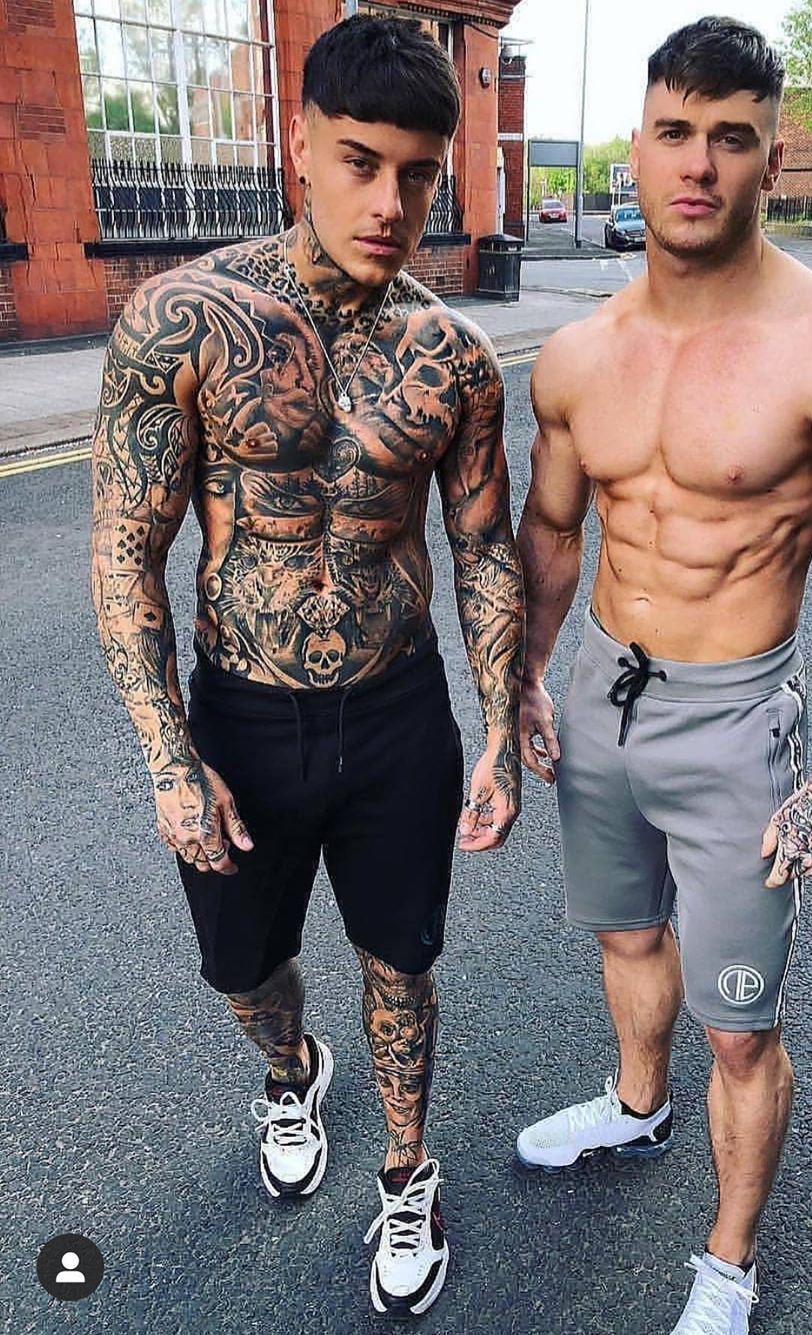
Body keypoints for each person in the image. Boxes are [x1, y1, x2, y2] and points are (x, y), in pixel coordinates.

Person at [90, 16, 523, 1319]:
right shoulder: (180, 322)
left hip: (396, 714)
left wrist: (501, 731)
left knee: (403, 959)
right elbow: (125, 551)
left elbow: (483, 551)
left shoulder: (455, 359)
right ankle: (293, 1075)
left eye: (418, 175)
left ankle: (406, 1169)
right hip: (242, 716)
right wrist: (170, 759)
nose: (391, 203)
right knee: (242, 970)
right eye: (360, 162)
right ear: (300, 145)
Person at [514, 17, 812, 1335]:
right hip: (602, 691)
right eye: (675, 133)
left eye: (732, 138)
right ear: (636, 152)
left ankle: (729, 1261)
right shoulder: (578, 355)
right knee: (624, 934)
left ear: (770, 159)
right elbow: (553, 532)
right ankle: (637, 1108)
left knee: (741, 1030)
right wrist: (528, 674)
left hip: (734, 715)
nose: (698, 164)